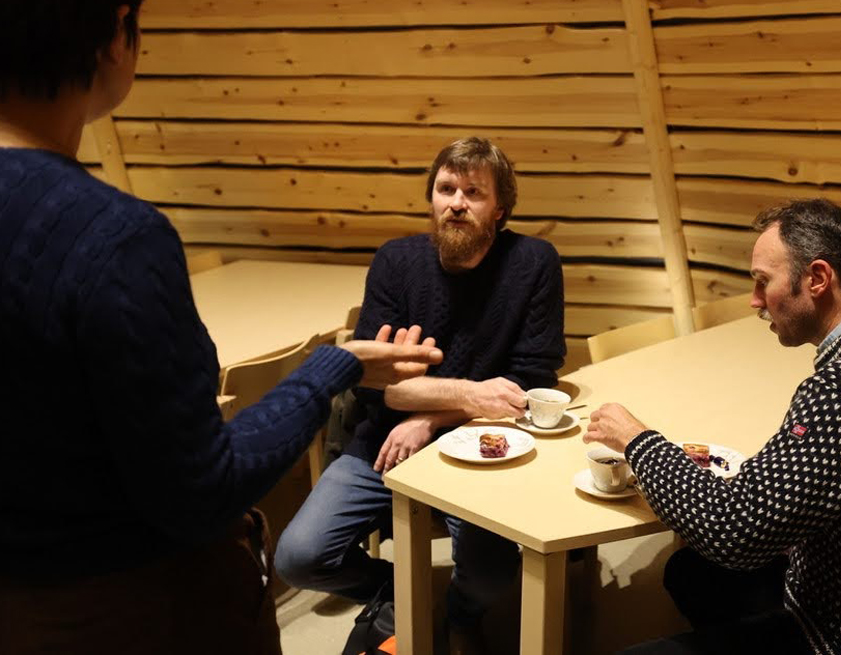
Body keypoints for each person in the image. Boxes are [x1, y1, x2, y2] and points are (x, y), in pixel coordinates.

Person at [0, 3, 442, 655]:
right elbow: (203, 488)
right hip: (133, 612)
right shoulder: (112, 237)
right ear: (117, 36)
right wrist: (334, 366)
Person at [584, 199, 841, 654]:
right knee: (691, 573)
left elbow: (733, 528)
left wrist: (638, 441)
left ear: (817, 278)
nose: (755, 301)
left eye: (763, 282)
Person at [275, 137, 566, 650]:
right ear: (431, 197)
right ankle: (394, 591)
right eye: (446, 188)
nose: (456, 201)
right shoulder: (395, 260)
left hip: (482, 446)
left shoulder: (534, 262)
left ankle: (459, 615)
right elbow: (372, 382)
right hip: (384, 441)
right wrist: (463, 395)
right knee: (298, 556)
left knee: (492, 576)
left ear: (499, 209)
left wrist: (429, 416)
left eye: (473, 191)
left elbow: (529, 382)